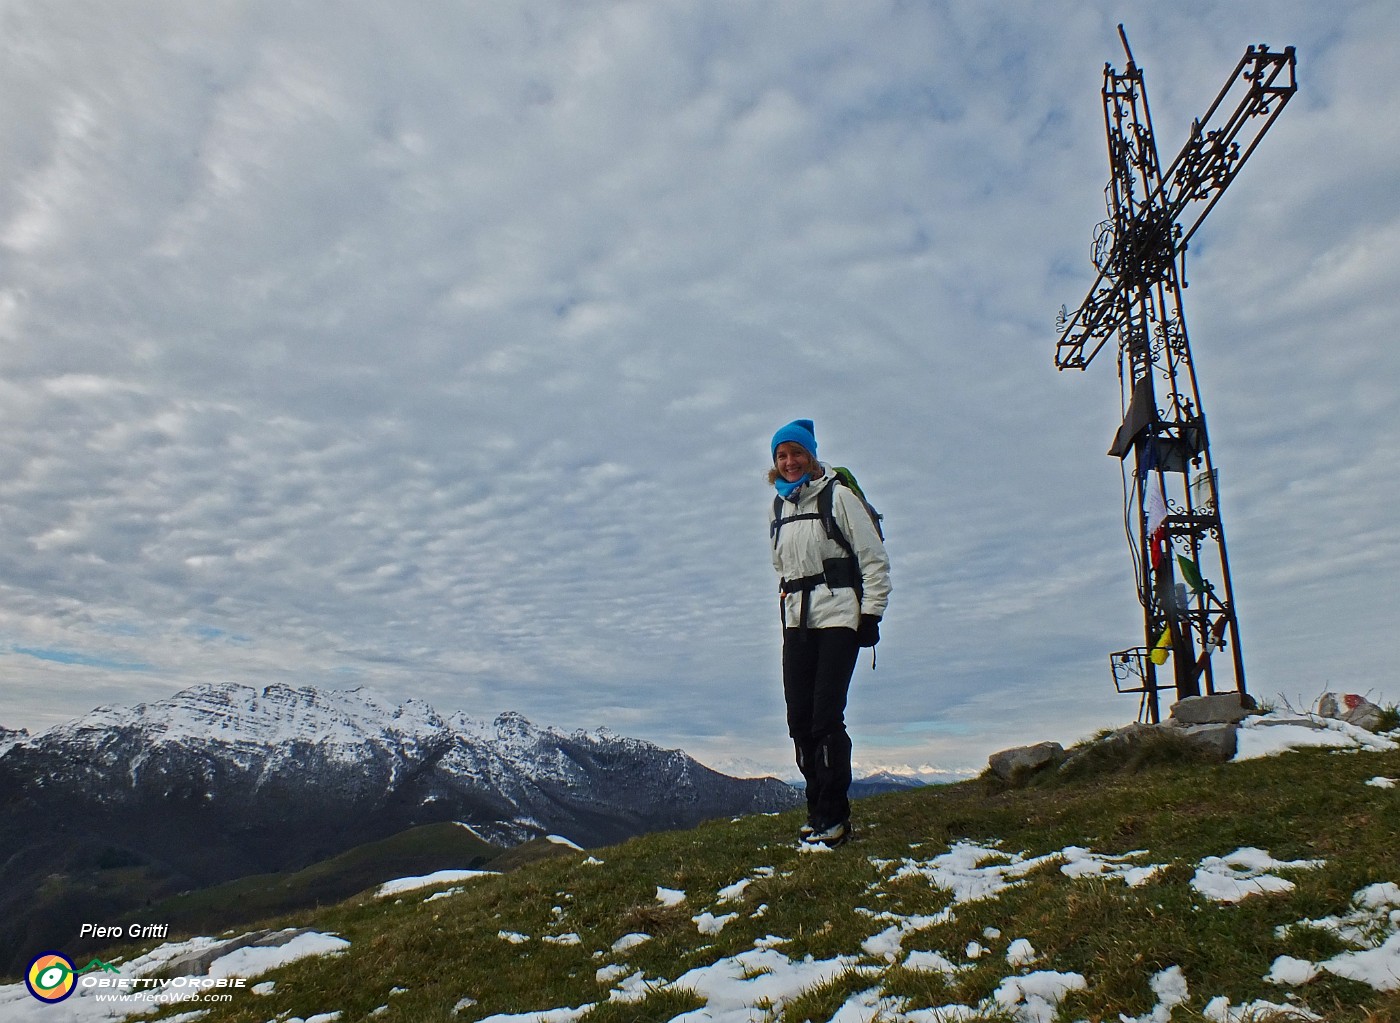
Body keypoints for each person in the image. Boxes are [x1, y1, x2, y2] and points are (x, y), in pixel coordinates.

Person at [767, 419, 890, 847]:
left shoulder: (839, 497)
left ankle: (834, 817)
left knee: (825, 718)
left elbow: (874, 558)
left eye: (796, 453)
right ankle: (816, 808)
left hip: (838, 618)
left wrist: (870, 614)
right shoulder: (779, 508)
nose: (789, 462)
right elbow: (781, 567)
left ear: (811, 455)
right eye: (781, 456)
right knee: (799, 720)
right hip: (797, 622)